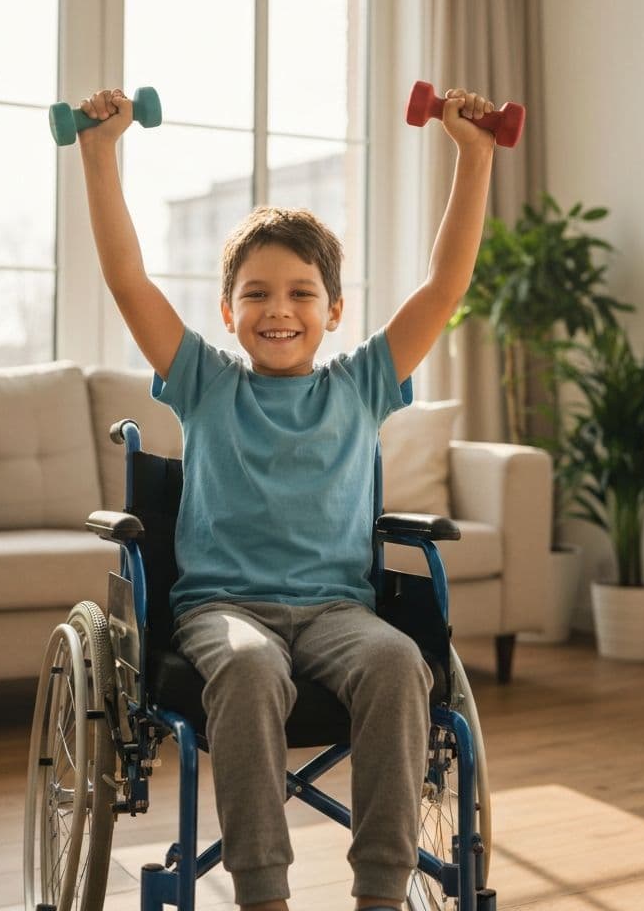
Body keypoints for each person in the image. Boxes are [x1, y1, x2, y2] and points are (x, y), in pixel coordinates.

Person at [78, 85, 495, 911]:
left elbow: (446, 287)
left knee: (399, 663)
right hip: (223, 608)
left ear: (334, 310)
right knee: (246, 666)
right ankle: (263, 893)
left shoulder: (365, 383)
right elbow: (128, 280)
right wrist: (100, 153)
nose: (280, 309)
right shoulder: (202, 382)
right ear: (228, 314)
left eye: (302, 293)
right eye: (258, 294)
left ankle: (381, 887)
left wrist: (473, 157)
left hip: (340, 610)